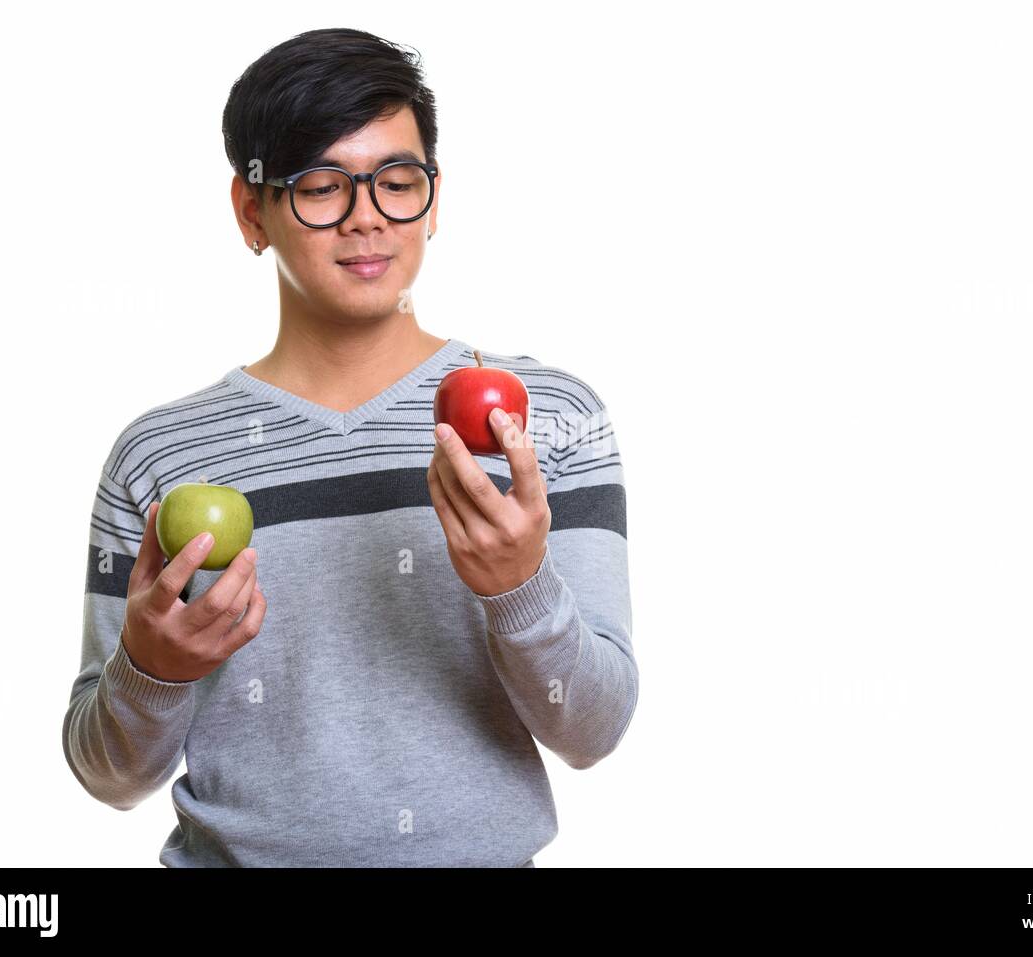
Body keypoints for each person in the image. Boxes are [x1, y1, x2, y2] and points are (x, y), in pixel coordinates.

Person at [61, 27, 636, 867]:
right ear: (250, 210)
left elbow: (593, 731)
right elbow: (108, 776)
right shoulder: (160, 456)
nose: (368, 217)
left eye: (398, 181)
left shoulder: (545, 420)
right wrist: (152, 667)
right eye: (324, 186)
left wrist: (520, 588)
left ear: (434, 200)